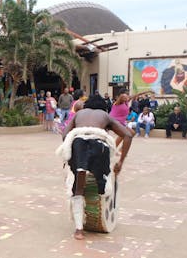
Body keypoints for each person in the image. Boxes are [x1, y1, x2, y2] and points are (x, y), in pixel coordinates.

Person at [56, 95, 132, 240]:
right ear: (103, 107)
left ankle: (79, 230)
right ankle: (102, 188)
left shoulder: (79, 114)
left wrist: (71, 155)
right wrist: (121, 162)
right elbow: (128, 135)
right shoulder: (104, 115)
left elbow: (65, 134)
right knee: (103, 184)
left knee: (78, 186)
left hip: (78, 143)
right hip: (99, 146)